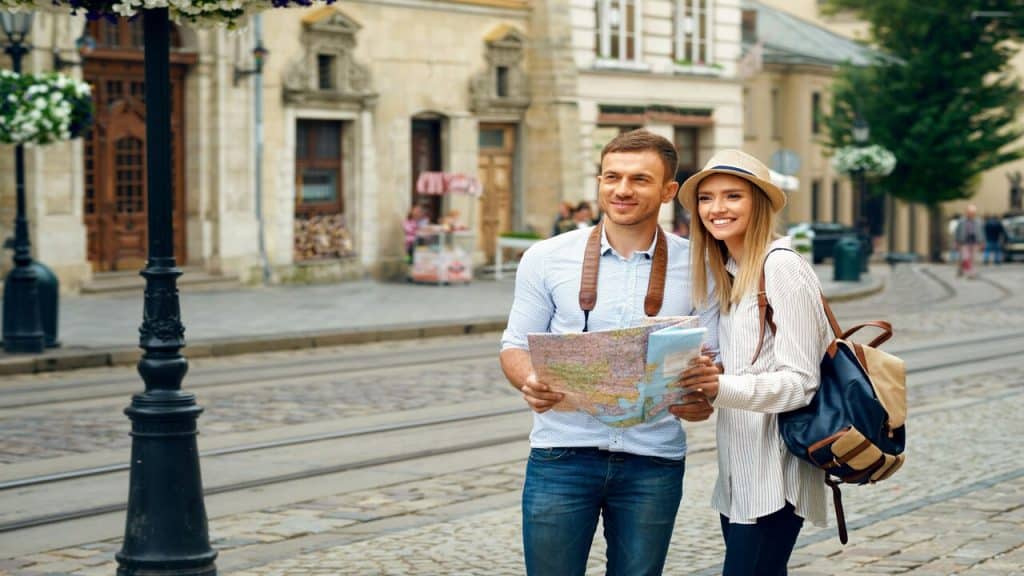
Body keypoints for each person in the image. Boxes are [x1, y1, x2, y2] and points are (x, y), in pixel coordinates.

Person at [499, 129, 719, 576]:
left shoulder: (701, 264)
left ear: (668, 191)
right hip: (562, 454)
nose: (621, 190)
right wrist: (530, 382)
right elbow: (515, 345)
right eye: (611, 177)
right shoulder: (545, 257)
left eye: (639, 179)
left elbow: (713, 362)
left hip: (653, 460)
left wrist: (702, 398)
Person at [675, 149, 830, 576]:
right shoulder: (729, 272)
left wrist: (720, 387)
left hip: (775, 471)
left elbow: (802, 382)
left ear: (757, 203)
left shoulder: (781, 267)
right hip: (739, 472)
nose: (716, 208)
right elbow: (749, 365)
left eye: (732, 196)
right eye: (706, 198)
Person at [955, 204, 983, 278]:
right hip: (964, 241)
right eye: (970, 212)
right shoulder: (961, 221)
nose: (971, 214)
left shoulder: (978, 221)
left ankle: (971, 273)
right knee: (965, 258)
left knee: (973, 258)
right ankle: (964, 271)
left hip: (975, 241)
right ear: (966, 212)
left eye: (973, 213)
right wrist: (957, 242)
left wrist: (982, 242)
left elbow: (981, 232)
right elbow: (957, 232)